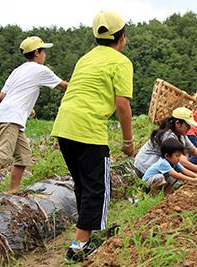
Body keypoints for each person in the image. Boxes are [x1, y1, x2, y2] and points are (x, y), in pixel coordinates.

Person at [50, 11, 134, 262]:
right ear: (121, 37)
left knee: (83, 185)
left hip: (64, 126)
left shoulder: (85, 59)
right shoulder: (121, 62)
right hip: (88, 130)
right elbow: (122, 105)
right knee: (98, 188)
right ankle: (79, 245)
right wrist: (128, 141)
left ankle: (85, 234)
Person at [0, 36, 68, 202]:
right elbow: (64, 86)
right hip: (12, 116)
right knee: (3, 154)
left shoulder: (18, 70)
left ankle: (13, 191)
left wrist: (26, 107)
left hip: (10, 113)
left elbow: (2, 95)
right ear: (36, 53)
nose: (45, 55)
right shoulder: (40, 70)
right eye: (43, 51)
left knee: (24, 155)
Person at [134, 107, 197, 178]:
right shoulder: (168, 136)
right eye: (187, 125)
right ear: (178, 123)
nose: (189, 128)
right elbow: (180, 160)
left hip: (158, 165)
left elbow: (193, 150)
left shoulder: (181, 134)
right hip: (144, 166)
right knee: (176, 182)